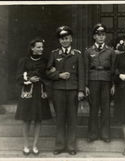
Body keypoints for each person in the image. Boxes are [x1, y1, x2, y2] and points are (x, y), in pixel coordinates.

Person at [46, 26, 85, 155]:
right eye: (62, 39)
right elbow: (47, 71)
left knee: (72, 119)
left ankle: (71, 146)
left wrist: (81, 90)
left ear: (71, 39)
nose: (65, 41)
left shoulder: (77, 54)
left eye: (67, 38)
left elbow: (81, 74)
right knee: (60, 118)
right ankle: (59, 145)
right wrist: (58, 75)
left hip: (73, 90)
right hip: (58, 90)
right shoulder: (54, 54)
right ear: (59, 40)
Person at [15, 38, 52, 155]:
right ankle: (26, 145)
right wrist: (29, 79)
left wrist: (42, 78)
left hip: (40, 93)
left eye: (42, 47)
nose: (41, 49)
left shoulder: (45, 61)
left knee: (38, 119)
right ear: (32, 48)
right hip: (27, 93)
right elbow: (18, 77)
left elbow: (49, 75)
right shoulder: (24, 60)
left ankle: (35, 145)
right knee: (26, 119)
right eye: (39, 47)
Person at [84, 23, 115, 143]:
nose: (101, 37)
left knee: (105, 108)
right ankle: (92, 134)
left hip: (106, 81)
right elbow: (86, 68)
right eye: (98, 35)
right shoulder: (88, 51)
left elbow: (113, 69)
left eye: (103, 35)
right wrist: (86, 85)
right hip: (93, 81)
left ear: (105, 36)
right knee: (93, 108)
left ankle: (105, 134)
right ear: (94, 37)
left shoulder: (110, 51)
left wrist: (113, 84)